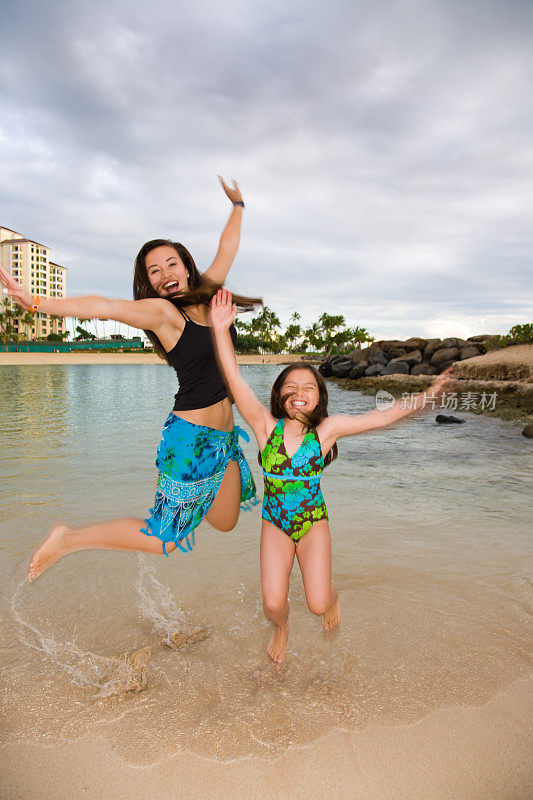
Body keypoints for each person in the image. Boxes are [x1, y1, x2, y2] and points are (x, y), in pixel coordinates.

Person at [0, 177, 260, 582]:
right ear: (150, 284)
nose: (165, 274)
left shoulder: (208, 294)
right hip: (190, 439)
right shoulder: (162, 313)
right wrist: (36, 301)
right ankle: (68, 539)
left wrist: (239, 204)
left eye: (171, 263)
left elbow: (228, 247)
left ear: (186, 266)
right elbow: (105, 307)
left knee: (226, 520)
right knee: (164, 539)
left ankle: (182, 506)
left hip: (224, 439)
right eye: (154, 272)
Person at [210, 289, 453, 665]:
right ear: (279, 395)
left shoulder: (327, 431)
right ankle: (281, 628)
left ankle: (333, 599)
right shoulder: (264, 426)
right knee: (273, 604)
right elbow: (235, 379)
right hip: (274, 523)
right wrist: (222, 329)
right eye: (290, 386)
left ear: (319, 397)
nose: (299, 392)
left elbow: (382, 416)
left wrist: (430, 394)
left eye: (308, 386)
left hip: (312, 522)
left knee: (318, 601)